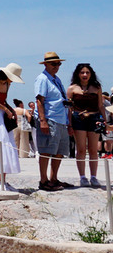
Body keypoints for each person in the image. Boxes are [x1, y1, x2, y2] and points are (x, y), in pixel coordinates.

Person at [35, 51, 73, 191]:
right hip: (50, 118)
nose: (56, 66)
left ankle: (54, 178)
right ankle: (43, 180)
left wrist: (68, 122)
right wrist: (43, 120)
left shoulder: (56, 79)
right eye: (53, 64)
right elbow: (40, 100)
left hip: (61, 119)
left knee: (59, 151)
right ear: (45, 64)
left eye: (58, 63)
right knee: (46, 150)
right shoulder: (42, 79)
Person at [68, 63, 103, 187]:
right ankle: (82, 176)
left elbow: (100, 105)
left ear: (91, 74)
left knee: (93, 149)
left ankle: (94, 176)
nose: (85, 75)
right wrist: (69, 124)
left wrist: (104, 120)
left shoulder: (96, 87)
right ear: (78, 74)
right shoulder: (72, 88)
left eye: (87, 72)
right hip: (78, 118)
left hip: (94, 118)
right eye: (82, 72)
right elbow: (69, 108)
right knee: (81, 149)